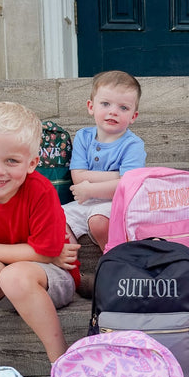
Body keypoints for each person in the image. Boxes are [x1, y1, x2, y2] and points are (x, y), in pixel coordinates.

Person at [0, 101, 80, 364]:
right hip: (3, 281)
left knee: (14, 276)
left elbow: (46, 254)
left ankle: (62, 360)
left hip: (53, 280)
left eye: (11, 160)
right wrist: (38, 253)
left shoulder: (41, 191)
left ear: (32, 162)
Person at [63, 70, 145, 257]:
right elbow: (78, 177)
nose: (113, 111)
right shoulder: (84, 137)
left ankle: (115, 263)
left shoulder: (133, 144)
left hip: (116, 203)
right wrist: (118, 176)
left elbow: (128, 186)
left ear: (133, 116)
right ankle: (73, 270)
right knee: (56, 218)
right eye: (105, 104)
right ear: (91, 106)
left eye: (123, 108)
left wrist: (90, 189)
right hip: (84, 202)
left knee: (99, 221)